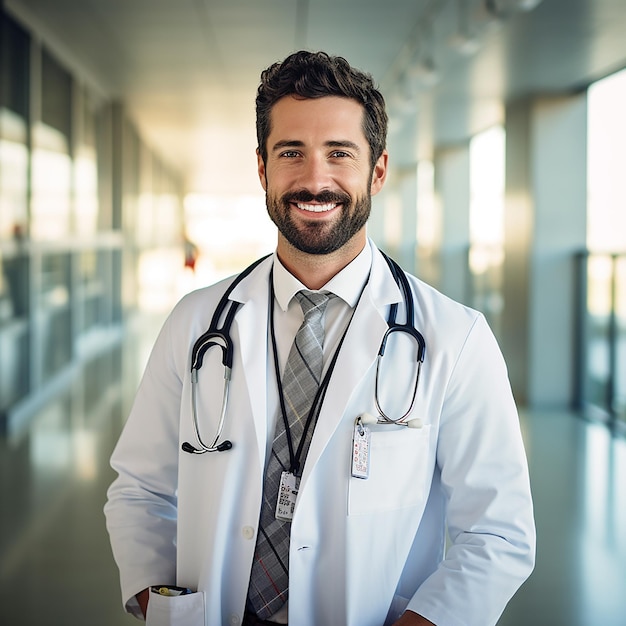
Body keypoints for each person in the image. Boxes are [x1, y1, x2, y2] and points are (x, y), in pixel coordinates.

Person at [104, 50, 535, 626]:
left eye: (339, 154)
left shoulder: (454, 340)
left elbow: (497, 531)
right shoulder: (195, 322)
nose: (314, 179)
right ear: (262, 169)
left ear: (377, 171)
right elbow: (138, 487)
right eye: (291, 153)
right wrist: (160, 602)